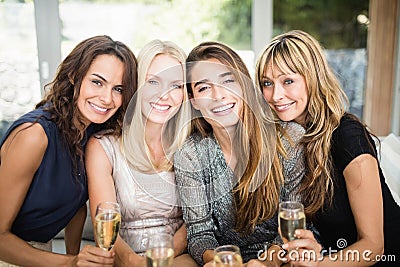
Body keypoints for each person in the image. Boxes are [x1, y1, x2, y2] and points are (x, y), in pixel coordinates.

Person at [255, 30, 400, 266]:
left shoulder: (347, 136)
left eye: (288, 81)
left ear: (312, 78)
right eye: (267, 83)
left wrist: (320, 265)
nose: (275, 95)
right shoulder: (285, 140)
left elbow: (374, 245)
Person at [0, 35, 137, 266]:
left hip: (42, 248)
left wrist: (75, 256)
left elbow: (75, 205)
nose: (106, 98)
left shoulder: (92, 131)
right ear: (74, 75)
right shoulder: (33, 136)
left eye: (118, 88)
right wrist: (70, 263)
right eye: (97, 82)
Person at [174, 41, 309, 267]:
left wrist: (265, 263)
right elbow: (199, 234)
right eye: (204, 87)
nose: (218, 95)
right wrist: (223, 261)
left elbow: (293, 222)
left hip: (282, 258)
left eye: (228, 81)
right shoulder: (190, 154)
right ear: (194, 100)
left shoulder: (289, 138)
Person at [86, 39, 197, 267]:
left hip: (177, 257)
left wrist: (157, 259)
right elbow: (104, 229)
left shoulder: (192, 146)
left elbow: (196, 223)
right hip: (123, 259)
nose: (164, 95)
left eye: (175, 85)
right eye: (153, 82)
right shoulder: (102, 147)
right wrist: (133, 263)